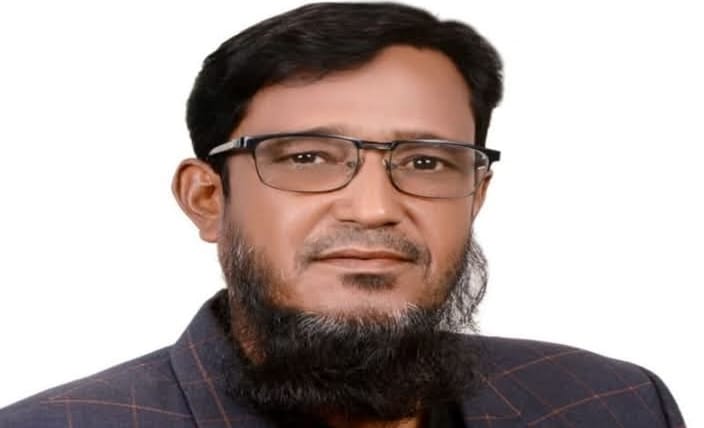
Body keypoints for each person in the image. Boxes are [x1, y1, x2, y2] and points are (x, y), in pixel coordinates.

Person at [0, 2, 686, 427]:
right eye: (306, 158)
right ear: (208, 199)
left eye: (426, 162)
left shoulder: (614, 403)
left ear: (475, 196)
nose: (376, 208)